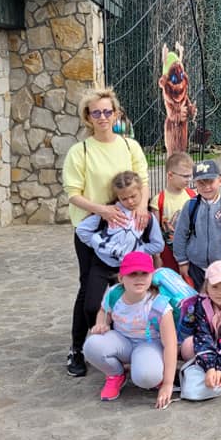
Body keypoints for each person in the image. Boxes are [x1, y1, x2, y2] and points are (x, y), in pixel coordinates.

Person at [63, 87, 150, 377]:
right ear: (88, 117)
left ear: (116, 114)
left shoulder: (129, 146)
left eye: (107, 111)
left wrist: (142, 207)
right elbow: (73, 193)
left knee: (127, 285)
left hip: (128, 230)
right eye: (96, 112)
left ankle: (121, 341)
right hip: (93, 230)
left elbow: (143, 179)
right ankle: (78, 348)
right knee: (89, 290)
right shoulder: (81, 151)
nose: (102, 117)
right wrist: (103, 210)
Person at [75, 171, 164, 347]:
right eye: (124, 198)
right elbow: (81, 231)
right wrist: (101, 245)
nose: (130, 201)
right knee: (91, 305)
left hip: (130, 269)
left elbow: (158, 244)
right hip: (102, 264)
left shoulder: (147, 217)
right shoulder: (109, 212)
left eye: (133, 196)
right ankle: (99, 337)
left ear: (141, 191)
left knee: (124, 306)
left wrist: (136, 251)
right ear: (117, 197)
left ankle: (119, 340)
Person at [83, 251, 176, 409]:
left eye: (144, 273)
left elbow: (171, 345)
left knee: (147, 378)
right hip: (122, 342)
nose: (139, 279)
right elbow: (104, 311)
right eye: (132, 274)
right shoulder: (114, 293)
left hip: (149, 344)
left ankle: (145, 368)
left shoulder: (159, 304)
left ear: (151, 276)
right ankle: (116, 374)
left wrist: (168, 384)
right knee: (91, 345)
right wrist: (101, 324)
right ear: (121, 278)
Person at [176, 260, 221, 400]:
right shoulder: (198, 305)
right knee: (188, 343)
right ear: (206, 285)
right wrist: (210, 367)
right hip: (203, 346)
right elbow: (203, 335)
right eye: (215, 287)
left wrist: (220, 368)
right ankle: (201, 367)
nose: (220, 293)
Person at [173, 159, 221, 289]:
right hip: (196, 266)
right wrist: (182, 261)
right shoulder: (190, 205)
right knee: (199, 298)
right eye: (201, 183)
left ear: (220, 180)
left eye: (210, 181)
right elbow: (180, 234)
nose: (206, 187)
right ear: (195, 184)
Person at [151, 151, 195, 272]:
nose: (189, 180)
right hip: (167, 254)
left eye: (190, 176)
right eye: (185, 176)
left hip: (190, 252)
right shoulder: (158, 200)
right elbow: (154, 232)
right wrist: (156, 257)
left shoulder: (193, 195)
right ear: (170, 175)